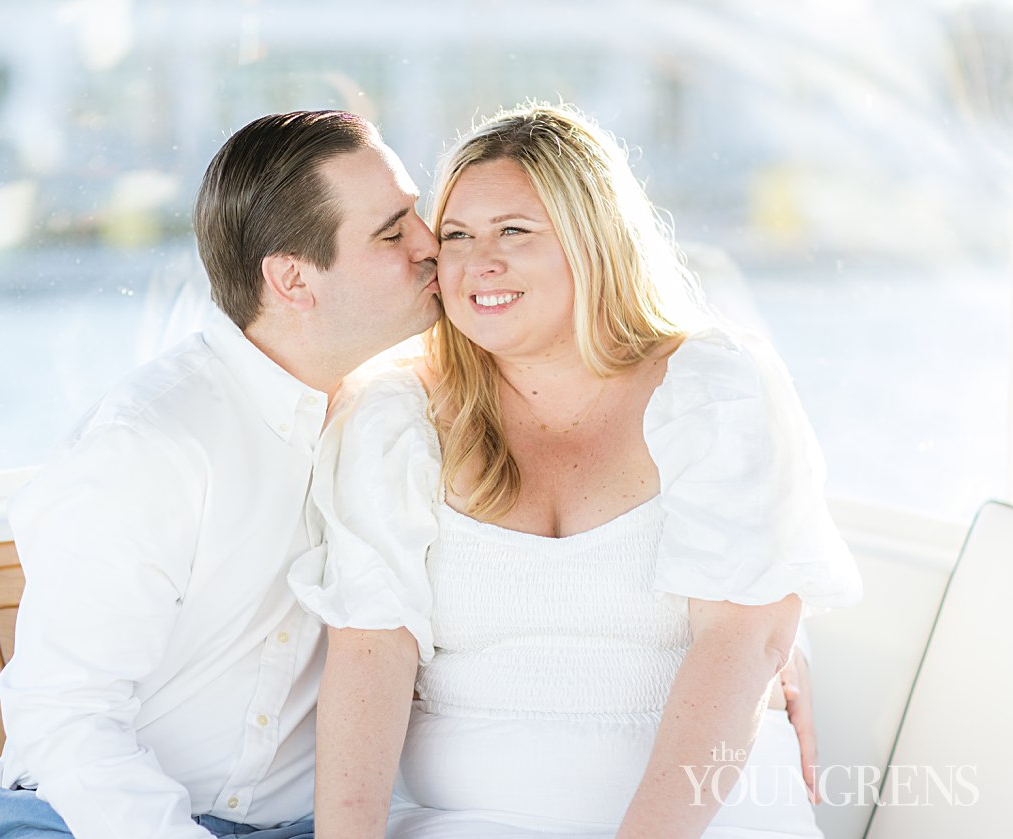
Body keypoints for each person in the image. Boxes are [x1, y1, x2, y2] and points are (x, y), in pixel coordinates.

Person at [290, 103, 863, 838]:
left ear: (594, 240)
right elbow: (369, 653)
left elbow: (742, 640)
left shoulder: (714, 388)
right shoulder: (395, 416)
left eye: (515, 232)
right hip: (465, 819)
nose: (478, 262)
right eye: (457, 236)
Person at [0, 110, 441, 839]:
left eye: (419, 213)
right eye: (392, 231)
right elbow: (68, 716)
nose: (430, 244)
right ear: (292, 278)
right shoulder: (149, 444)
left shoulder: (388, 409)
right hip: (88, 818)